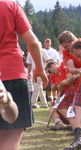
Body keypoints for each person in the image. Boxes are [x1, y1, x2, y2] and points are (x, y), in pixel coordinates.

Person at [0, 1, 48, 150]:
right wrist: (40, 69)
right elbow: (33, 43)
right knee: (12, 135)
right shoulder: (9, 5)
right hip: (12, 74)